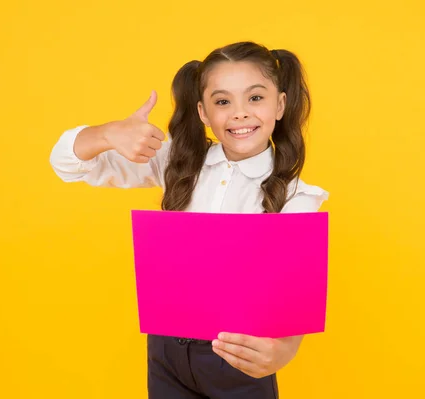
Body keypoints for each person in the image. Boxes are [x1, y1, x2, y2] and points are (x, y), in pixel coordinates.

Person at [49, 41, 329, 399]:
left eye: (255, 98)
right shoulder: (175, 163)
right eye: (223, 101)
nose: (240, 113)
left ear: (280, 104)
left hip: (237, 357)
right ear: (202, 112)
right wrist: (106, 134)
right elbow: (66, 164)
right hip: (166, 353)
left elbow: (294, 294)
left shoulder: (298, 196)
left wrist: (284, 351)